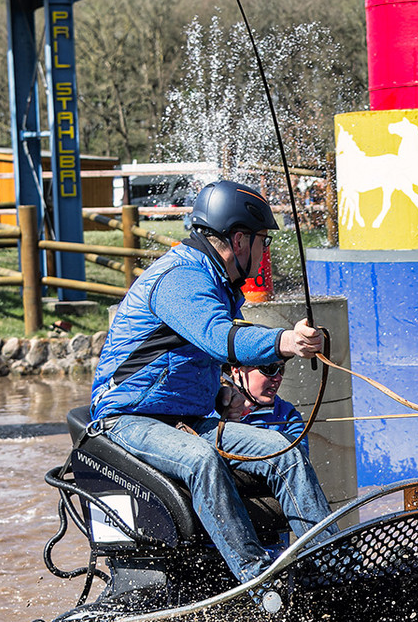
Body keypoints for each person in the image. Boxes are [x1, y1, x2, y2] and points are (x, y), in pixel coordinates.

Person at [89, 180, 330, 590]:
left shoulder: (215, 282)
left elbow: (180, 357)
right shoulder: (181, 278)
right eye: (262, 241)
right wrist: (285, 341)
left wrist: (217, 392)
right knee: (201, 459)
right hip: (126, 421)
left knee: (282, 451)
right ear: (239, 239)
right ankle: (260, 582)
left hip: (179, 418)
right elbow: (218, 337)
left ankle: (327, 566)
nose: (264, 252)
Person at [224, 361, 310, 459]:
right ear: (236, 370)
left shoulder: (288, 416)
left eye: (281, 369)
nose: (278, 378)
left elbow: (298, 462)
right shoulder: (208, 409)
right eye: (269, 368)